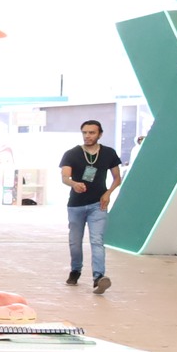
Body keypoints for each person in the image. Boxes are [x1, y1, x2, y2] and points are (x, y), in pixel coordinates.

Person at [59, 120, 122, 293]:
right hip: (76, 205)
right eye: (85, 132)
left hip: (98, 204)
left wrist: (108, 193)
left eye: (92, 133)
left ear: (100, 134)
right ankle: (75, 270)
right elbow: (64, 177)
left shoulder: (109, 153)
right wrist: (74, 184)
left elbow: (117, 178)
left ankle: (98, 278)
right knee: (75, 242)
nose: (87, 136)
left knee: (97, 241)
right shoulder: (71, 153)